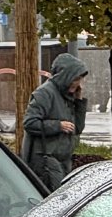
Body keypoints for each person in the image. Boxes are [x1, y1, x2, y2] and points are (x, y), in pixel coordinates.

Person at [21, 53, 88, 192]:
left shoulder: (68, 96)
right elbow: (29, 122)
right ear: (65, 76)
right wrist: (58, 126)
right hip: (46, 158)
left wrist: (79, 102)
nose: (78, 84)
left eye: (79, 80)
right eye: (75, 79)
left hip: (64, 159)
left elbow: (78, 128)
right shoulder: (45, 93)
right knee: (56, 197)